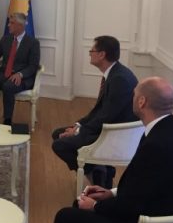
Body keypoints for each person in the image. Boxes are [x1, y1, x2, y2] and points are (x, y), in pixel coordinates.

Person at [53, 77, 173, 223]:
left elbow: (131, 206)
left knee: (65, 217)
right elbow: (146, 187)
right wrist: (111, 193)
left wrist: (95, 206)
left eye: (134, 95)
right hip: (167, 216)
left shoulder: (156, 145)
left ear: (141, 101)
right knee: (80, 204)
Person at [51, 35, 137, 188]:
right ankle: (99, 171)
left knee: (59, 144)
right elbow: (100, 110)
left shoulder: (120, 79)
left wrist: (79, 131)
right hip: (108, 128)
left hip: (115, 136)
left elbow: (107, 116)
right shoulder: (115, 73)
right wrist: (78, 125)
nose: (90, 54)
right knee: (58, 133)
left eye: (92, 51)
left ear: (102, 54)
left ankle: (94, 172)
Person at [0, 12, 41, 125]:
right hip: (4, 73)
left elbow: (33, 66)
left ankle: (7, 121)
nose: (8, 25)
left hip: (22, 78)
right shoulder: (6, 39)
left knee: (8, 87)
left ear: (20, 26)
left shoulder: (33, 43)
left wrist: (21, 74)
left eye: (12, 23)